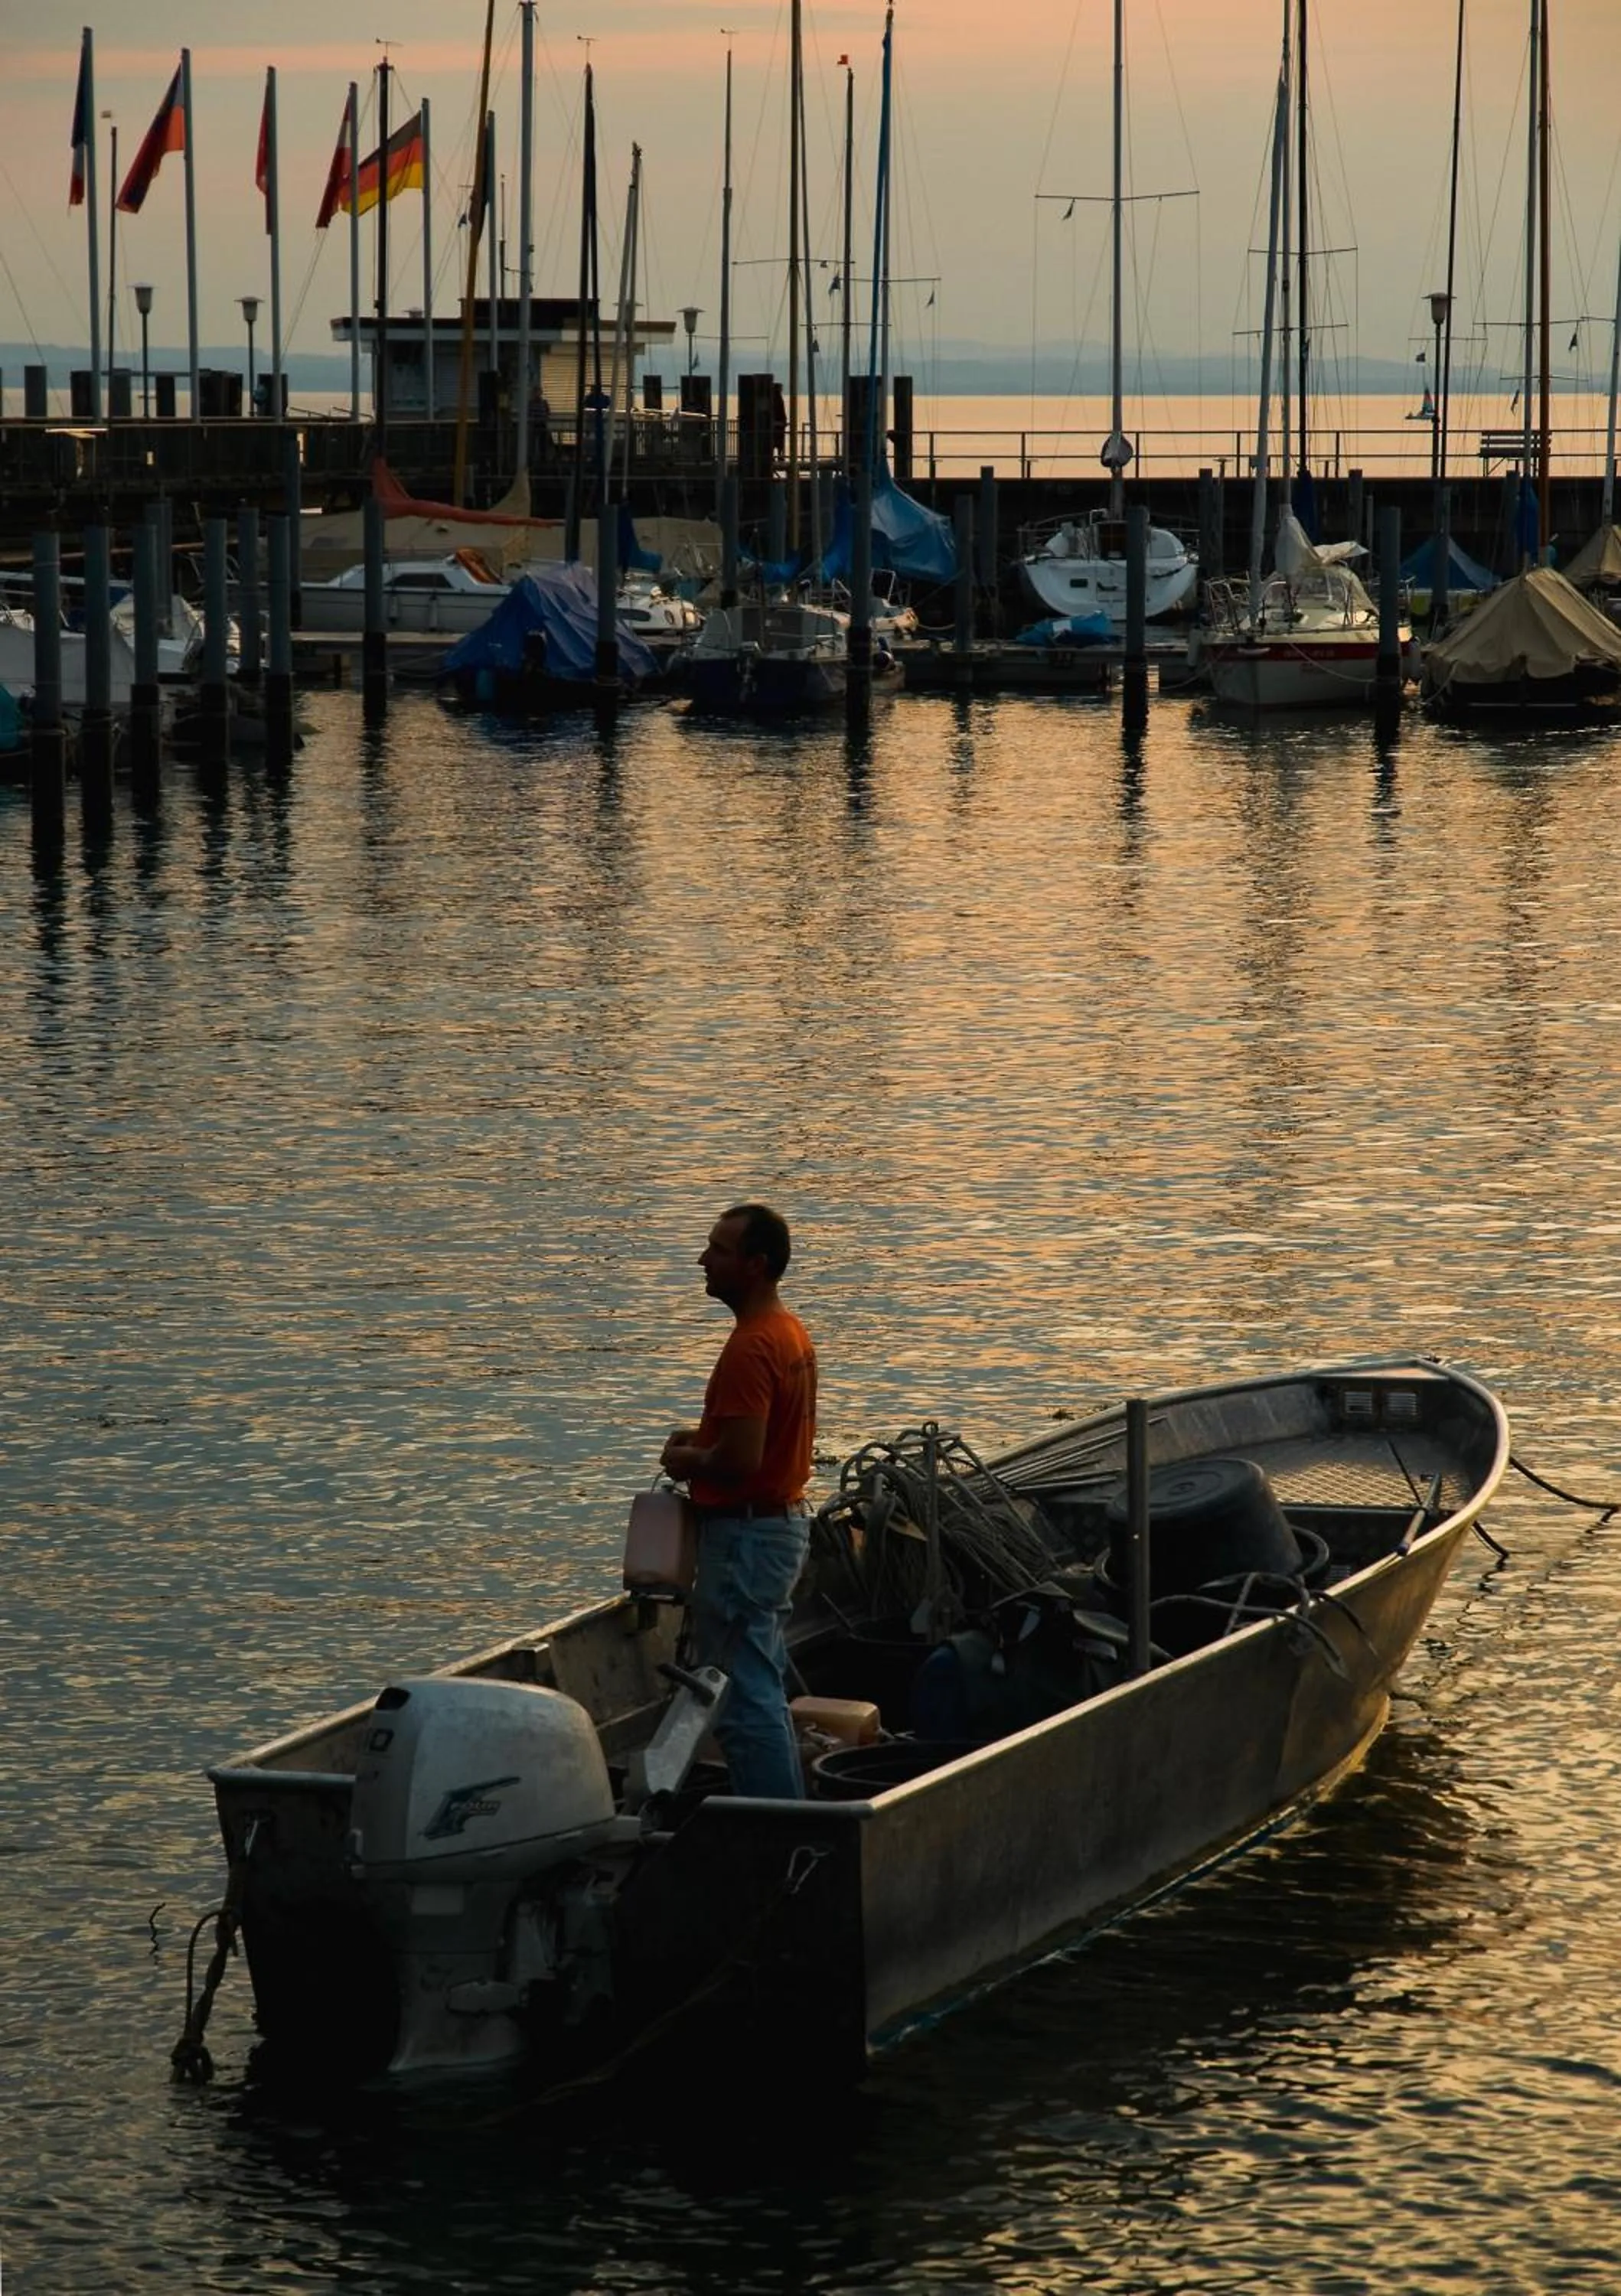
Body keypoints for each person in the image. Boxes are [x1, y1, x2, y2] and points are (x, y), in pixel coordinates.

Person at [660, 1204, 817, 1799]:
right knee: (761, 1682)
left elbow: (741, 1461)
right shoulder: (789, 1332)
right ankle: (788, 1817)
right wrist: (704, 1441)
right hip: (778, 1528)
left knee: (742, 1697)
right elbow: (763, 1439)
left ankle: (776, 1833)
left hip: (747, 1540)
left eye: (718, 1250)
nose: (703, 1259)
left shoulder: (751, 1347)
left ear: (754, 1266)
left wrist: (687, 1460)